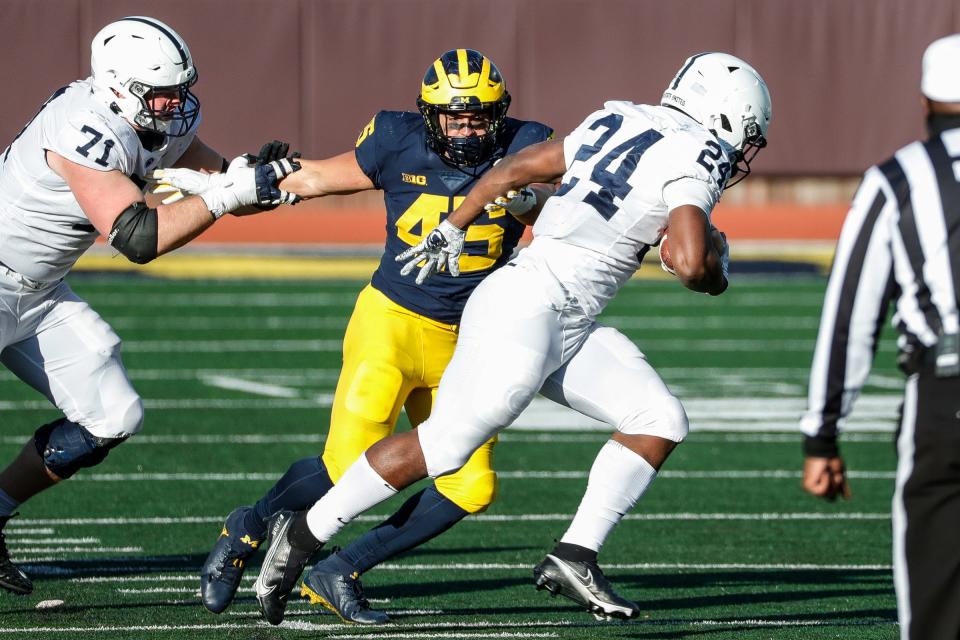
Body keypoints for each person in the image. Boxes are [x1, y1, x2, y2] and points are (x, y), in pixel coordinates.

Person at [249, 51, 772, 623]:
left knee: (659, 418)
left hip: (561, 315)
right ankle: (302, 535)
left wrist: (455, 224)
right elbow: (693, 264)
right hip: (529, 308)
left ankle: (575, 555)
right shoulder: (699, 151)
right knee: (446, 446)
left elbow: (509, 172)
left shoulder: (622, 118)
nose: (740, 152)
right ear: (726, 117)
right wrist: (715, 271)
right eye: (746, 136)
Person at [159, 49, 553, 624]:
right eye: (455, 118)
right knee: (348, 468)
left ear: (501, 115)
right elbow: (317, 176)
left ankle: (338, 570)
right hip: (390, 323)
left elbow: (564, 209)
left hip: (470, 339)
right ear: (429, 115)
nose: (468, 130)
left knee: (470, 487)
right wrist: (237, 180)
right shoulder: (395, 137)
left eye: (479, 118)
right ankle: (245, 529)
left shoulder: (528, 143)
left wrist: (531, 199)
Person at [0, 16, 296, 596]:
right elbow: (136, 238)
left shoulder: (149, 119)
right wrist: (228, 194)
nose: (174, 104)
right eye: (162, 93)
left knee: (112, 416)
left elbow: (226, 185)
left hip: (38, 291)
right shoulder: (82, 124)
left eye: (180, 90)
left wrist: (259, 181)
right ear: (116, 85)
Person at [800, 34, 960, 640]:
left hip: (945, 397)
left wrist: (822, 437)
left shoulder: (897, 177)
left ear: (925, 101)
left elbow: (851, 314)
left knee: (935, 600)